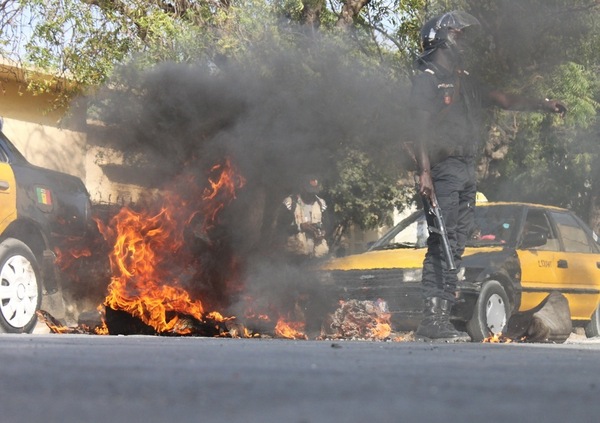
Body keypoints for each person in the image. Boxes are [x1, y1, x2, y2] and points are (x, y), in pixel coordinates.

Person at [410, 10, 566, 341]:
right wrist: (424, 172)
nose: (463, 43)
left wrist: (543, 103)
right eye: (459, 36)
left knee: (457, 241)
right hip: (443, 168)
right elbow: (418, 129)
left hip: (466, 167)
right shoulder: (427, 78)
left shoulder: (464, 79)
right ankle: (431, 319)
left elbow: (504, 99)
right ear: (445, 39)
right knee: (442, 240)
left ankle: (443, 317)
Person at [272, 175, 331, 263]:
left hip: (317, 257)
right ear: (302, 188)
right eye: (309, 192)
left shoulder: (321, 204)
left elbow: (328, 226)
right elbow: (280, 228)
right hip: (295, 257)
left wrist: (323, 232)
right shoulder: (290, 203)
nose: (312, 195)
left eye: (314, 192)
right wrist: (300, 227)